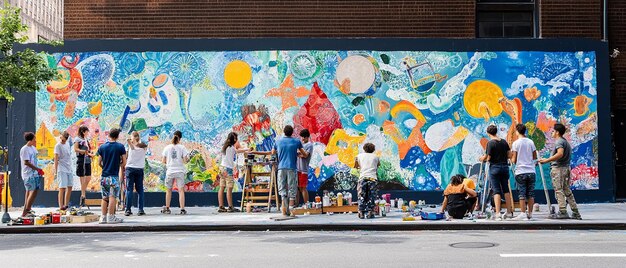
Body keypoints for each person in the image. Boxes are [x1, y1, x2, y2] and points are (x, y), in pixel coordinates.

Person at [252, 125, 309, 216]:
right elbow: (305, 155)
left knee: (282, 190)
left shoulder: (277, 142)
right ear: (292, 133)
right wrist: (296, 153)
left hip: (281, 168)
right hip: (292, 168)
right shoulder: (296, 142)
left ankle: (284, 211)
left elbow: (272, 153)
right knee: (292, 189)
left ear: (284, 132)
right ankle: (291, 211)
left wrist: (255, 152)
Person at [539, 123, 582, 220]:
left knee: (558, 190)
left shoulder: (559, 142)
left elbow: (560, 154)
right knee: (567, 190)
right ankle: (575, 212)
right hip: (565, 168)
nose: (552, 133)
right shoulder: (565, 141)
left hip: (559, 169)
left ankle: (563, 211)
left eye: (553, 131)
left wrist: (547, 160)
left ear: (557, 132)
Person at [479, 125, 514, 221]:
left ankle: (498, 213)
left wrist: (482, 158)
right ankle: (509, 212)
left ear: (488, 133)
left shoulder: (490, 143)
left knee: (496, 190)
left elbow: (488, 157)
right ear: (496, 131)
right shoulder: (503, 142)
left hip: (494, 168)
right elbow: (510, 155)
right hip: (505, 167)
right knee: (506, 189)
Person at [96, 128, 126, 224]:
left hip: (104, 176)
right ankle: (111, 217)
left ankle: (103, 217)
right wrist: (118, 164)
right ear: (117, 136)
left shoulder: (102, 147)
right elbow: (124, 162)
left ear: (109, 135)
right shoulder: (120, 147)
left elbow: (99, 162)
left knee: (105, 198)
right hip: (114, 176)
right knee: (112, 197)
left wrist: (104, 167)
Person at [511, 123, 538, 221]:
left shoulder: (516, 143)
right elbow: (534, 156)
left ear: (517, 132)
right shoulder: (531, 142)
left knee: (522, 193)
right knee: (530, 193)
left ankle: (523, 213)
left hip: (520, 171)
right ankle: (530, 214)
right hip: (531, 171)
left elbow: (514, 159)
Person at [218, 132, 249, 213]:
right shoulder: (231, 148)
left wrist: (245, 149)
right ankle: (230, 207)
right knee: (229, 188)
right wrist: (247, 149)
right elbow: (238, 151)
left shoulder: (225, 146)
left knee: (221, 187)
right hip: (228, 169)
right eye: (236, 138)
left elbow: (237, 150)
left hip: (221, 168)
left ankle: (221, 206)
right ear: (234, 139)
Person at [162, 131, 189, 215]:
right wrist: (188, 159)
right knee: (181, 190)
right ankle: (182, 209)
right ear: (180, 138)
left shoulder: (167, 148)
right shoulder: (182, 147)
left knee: (168, 190)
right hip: (180, 171)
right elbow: (185, 161)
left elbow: (163, 161)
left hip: (170, 171)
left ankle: (167, 208)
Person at [20, 132, 44, 217]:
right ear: (30, 140)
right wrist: (37, 169)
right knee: (33, 191)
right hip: (28, 174)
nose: (35, 140)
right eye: (34, 139)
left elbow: (35, 159)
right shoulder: (24, 149)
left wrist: (38, 170)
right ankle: (27, 209)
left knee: (31, 191)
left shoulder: (33, 148)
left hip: (35, 174)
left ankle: (25, 211)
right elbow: (26, 162)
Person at [124, 131, 147, 216]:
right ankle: (140, 209)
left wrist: (129, 141)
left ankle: (128, 209)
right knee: (140, 190)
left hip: (130, 169)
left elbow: (131, 147)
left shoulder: (131, 146)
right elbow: (141, 146)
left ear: (133, 137)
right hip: (139, 169)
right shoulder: (143, 147)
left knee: (129, 189)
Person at [354, 143, 380, 219]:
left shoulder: (359, 156)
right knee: (371, 197)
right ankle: (370, 213)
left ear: (364, 149)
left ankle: (361, 213)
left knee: (361, 196)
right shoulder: (376, 157)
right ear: (373, 149)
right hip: (372, 178)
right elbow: (377, 165)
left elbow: (356, 166)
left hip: (363, 178)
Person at [74, 126, 94, 208]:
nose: (87, 133)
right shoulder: (78, 139)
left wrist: (89, 153)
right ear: (83, 131)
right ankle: (83, 197)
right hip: (81, 160)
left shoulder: (86, 139)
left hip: (87, 160)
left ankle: (82, 194)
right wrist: (84, 152)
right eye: (86, 131)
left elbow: (87, 150)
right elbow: (76, 149)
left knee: (88, 178)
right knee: (82, 179)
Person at [54, 131, 73, 210]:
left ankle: (66, 205)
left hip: (69, 168)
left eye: (64, 139)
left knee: (70, 186)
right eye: (62, 138)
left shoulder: (67, 144)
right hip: (61, 168)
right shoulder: (57, 146)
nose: (62, 140)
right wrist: (55, 171)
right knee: (62, 188)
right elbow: (56, 158)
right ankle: (61, 206)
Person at [296, 129, 314, 206]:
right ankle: (296, 205)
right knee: (297, 188)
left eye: (304, 137)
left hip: (304, 169)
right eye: (301, 137)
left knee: (303, 188)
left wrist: (300, 154)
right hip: (297, 169)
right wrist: (301, 154)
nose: (302, 138)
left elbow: (305, 155)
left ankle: (307, 205)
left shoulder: (309, 145)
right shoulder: (300, 144)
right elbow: (301, 154)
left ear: (307, 137)